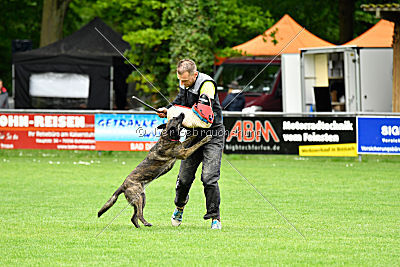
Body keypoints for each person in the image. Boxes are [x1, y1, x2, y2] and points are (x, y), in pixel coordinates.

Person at [157, 59, 224, 229]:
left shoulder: (207, 85)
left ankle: (214, 217)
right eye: (180, 80)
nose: (182, 83)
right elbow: (180, 101)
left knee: (209, 177)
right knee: (184, 179)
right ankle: (179, 208)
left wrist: (177, 113)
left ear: (195, 75)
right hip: (193, 134)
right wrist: (168, 110)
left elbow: (203, 111)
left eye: (185, 80)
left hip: (213, 133)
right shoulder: (185, 83)